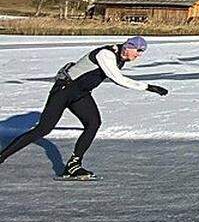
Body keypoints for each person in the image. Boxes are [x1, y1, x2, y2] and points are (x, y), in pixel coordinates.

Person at [0, 36, 168, 179]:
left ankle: (73, 165)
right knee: (43, 130)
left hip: (80, 94)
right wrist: (148, 87)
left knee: (93, 123)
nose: (139, 55)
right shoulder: (106, 54)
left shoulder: (119, 58)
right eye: (138, 51)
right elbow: (117, 78)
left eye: (141, 52)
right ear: (129, 47)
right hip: (64, 90)